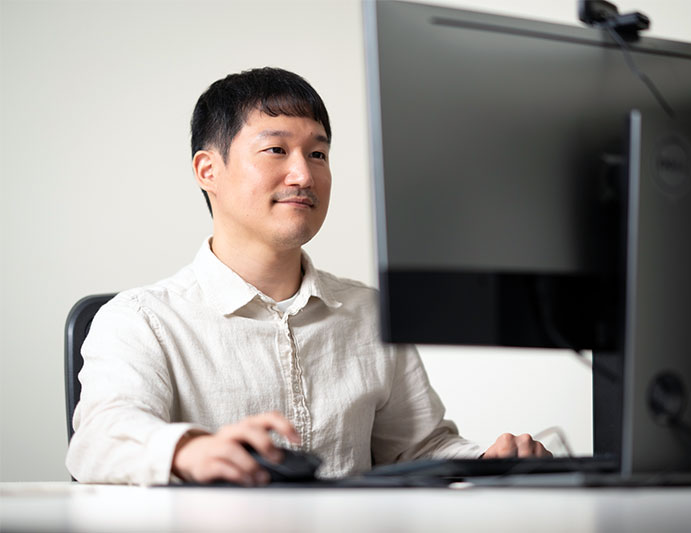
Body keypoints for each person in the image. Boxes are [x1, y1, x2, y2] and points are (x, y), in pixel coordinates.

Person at [65, 67, 550, 486]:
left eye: (317, 154)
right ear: (207, 170)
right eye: (276, 150)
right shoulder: (139, 320)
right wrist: (190, 451)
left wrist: (491, 463)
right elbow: (98, 439)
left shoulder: (370, 313)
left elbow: (418, 450)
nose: (303, 174)